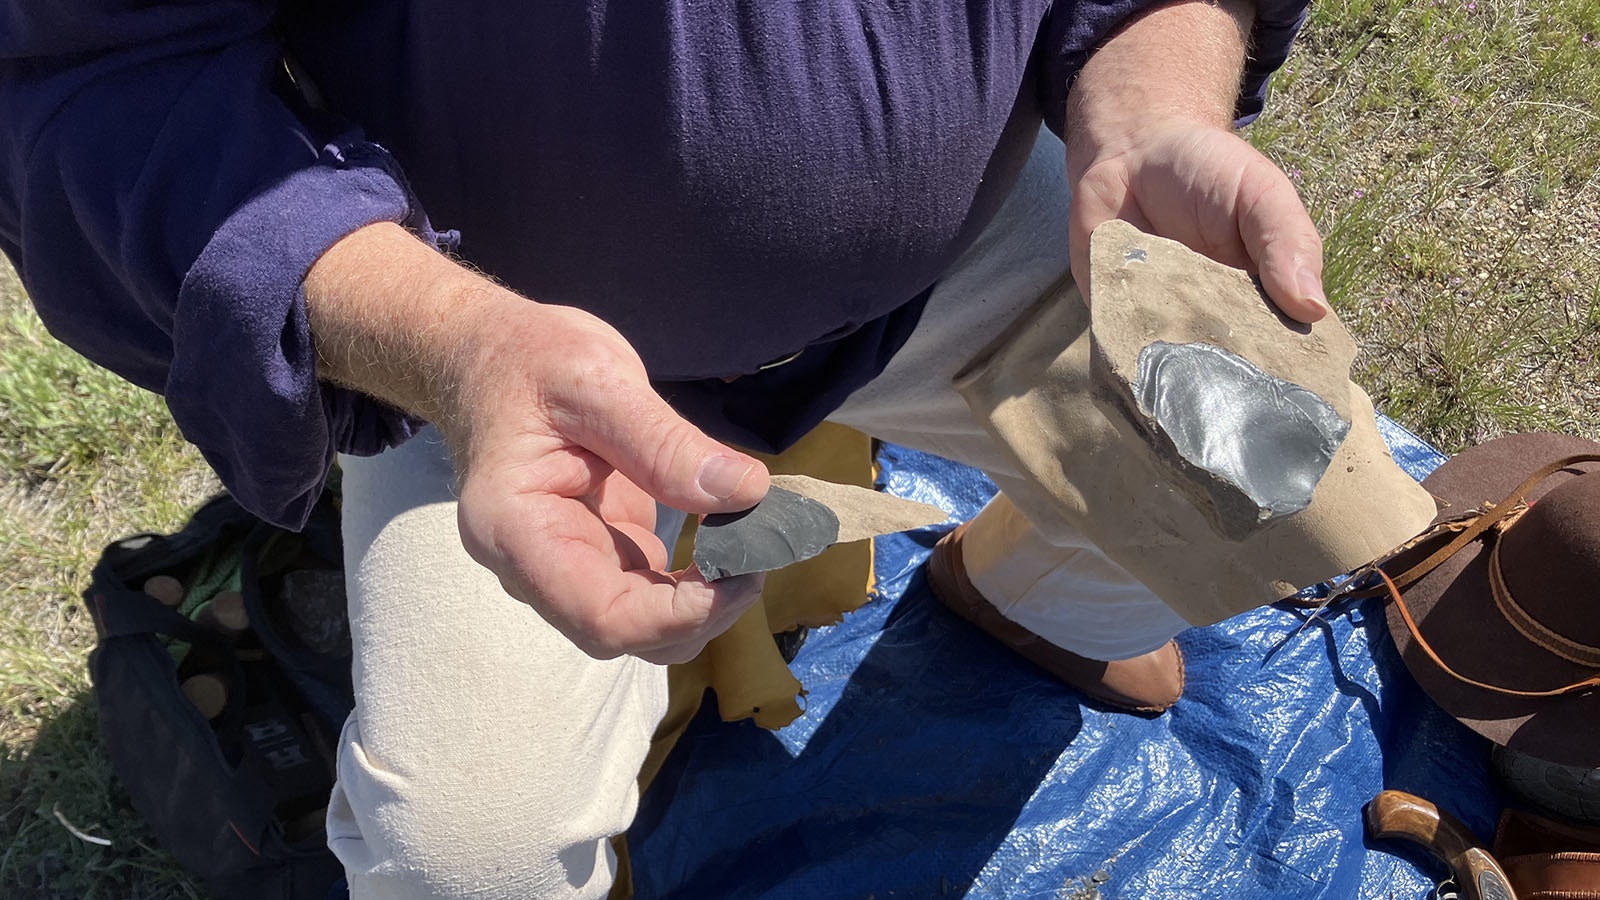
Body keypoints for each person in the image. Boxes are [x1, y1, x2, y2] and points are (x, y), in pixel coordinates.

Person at [1, 1, 1326, 896]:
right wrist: (453, 347)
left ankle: (1030, 600)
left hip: (983, 246)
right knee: (470, 854)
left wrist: (1156, 113)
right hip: (499, 356)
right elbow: (103, 90)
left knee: (1266, 467)